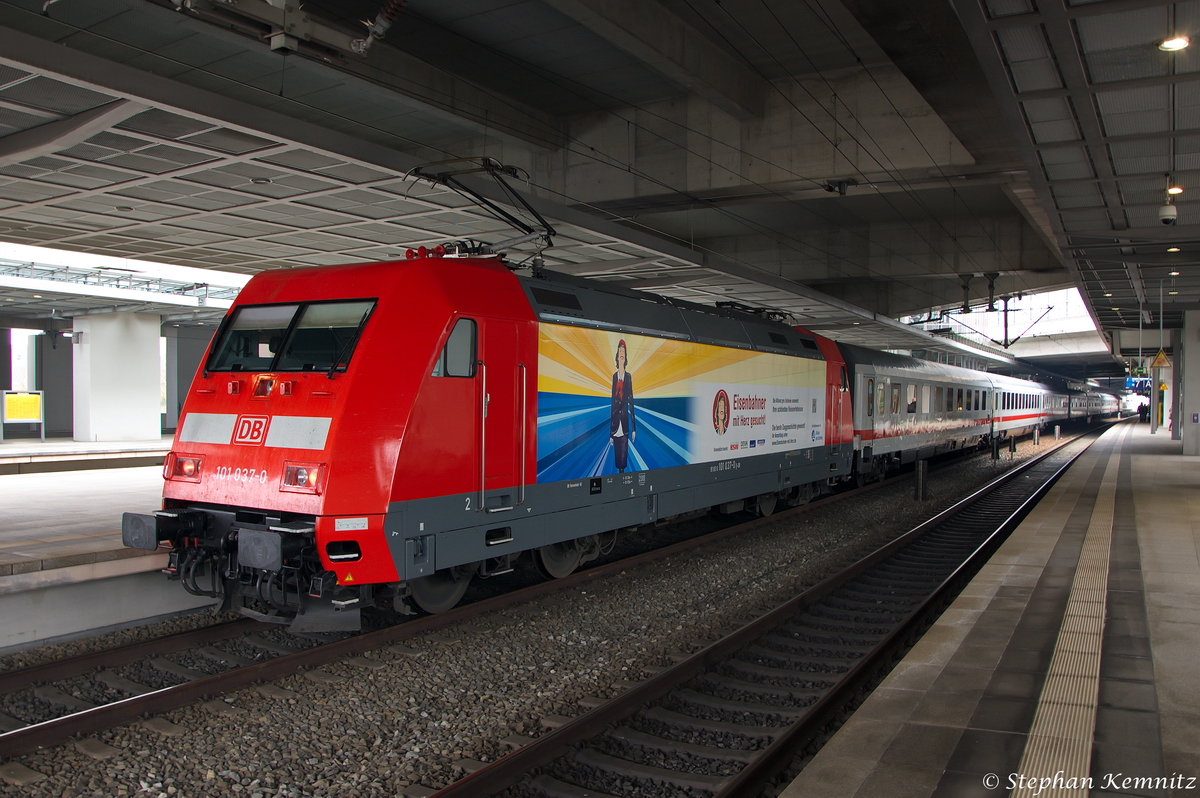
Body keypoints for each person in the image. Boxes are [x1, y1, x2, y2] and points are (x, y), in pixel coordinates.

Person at [610, 339, 636, 473]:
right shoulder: (614, 377)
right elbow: (612, 404)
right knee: (616, 458)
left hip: (625, 424)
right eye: (620, 351)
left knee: (623, 458)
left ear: (625, 357)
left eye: (623, 352)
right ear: (617, 356)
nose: (621, 353)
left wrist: (634, 428)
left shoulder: (628, 377)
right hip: (615, 425)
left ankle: (623, 477)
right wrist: (610, 433)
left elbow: (631, 402)